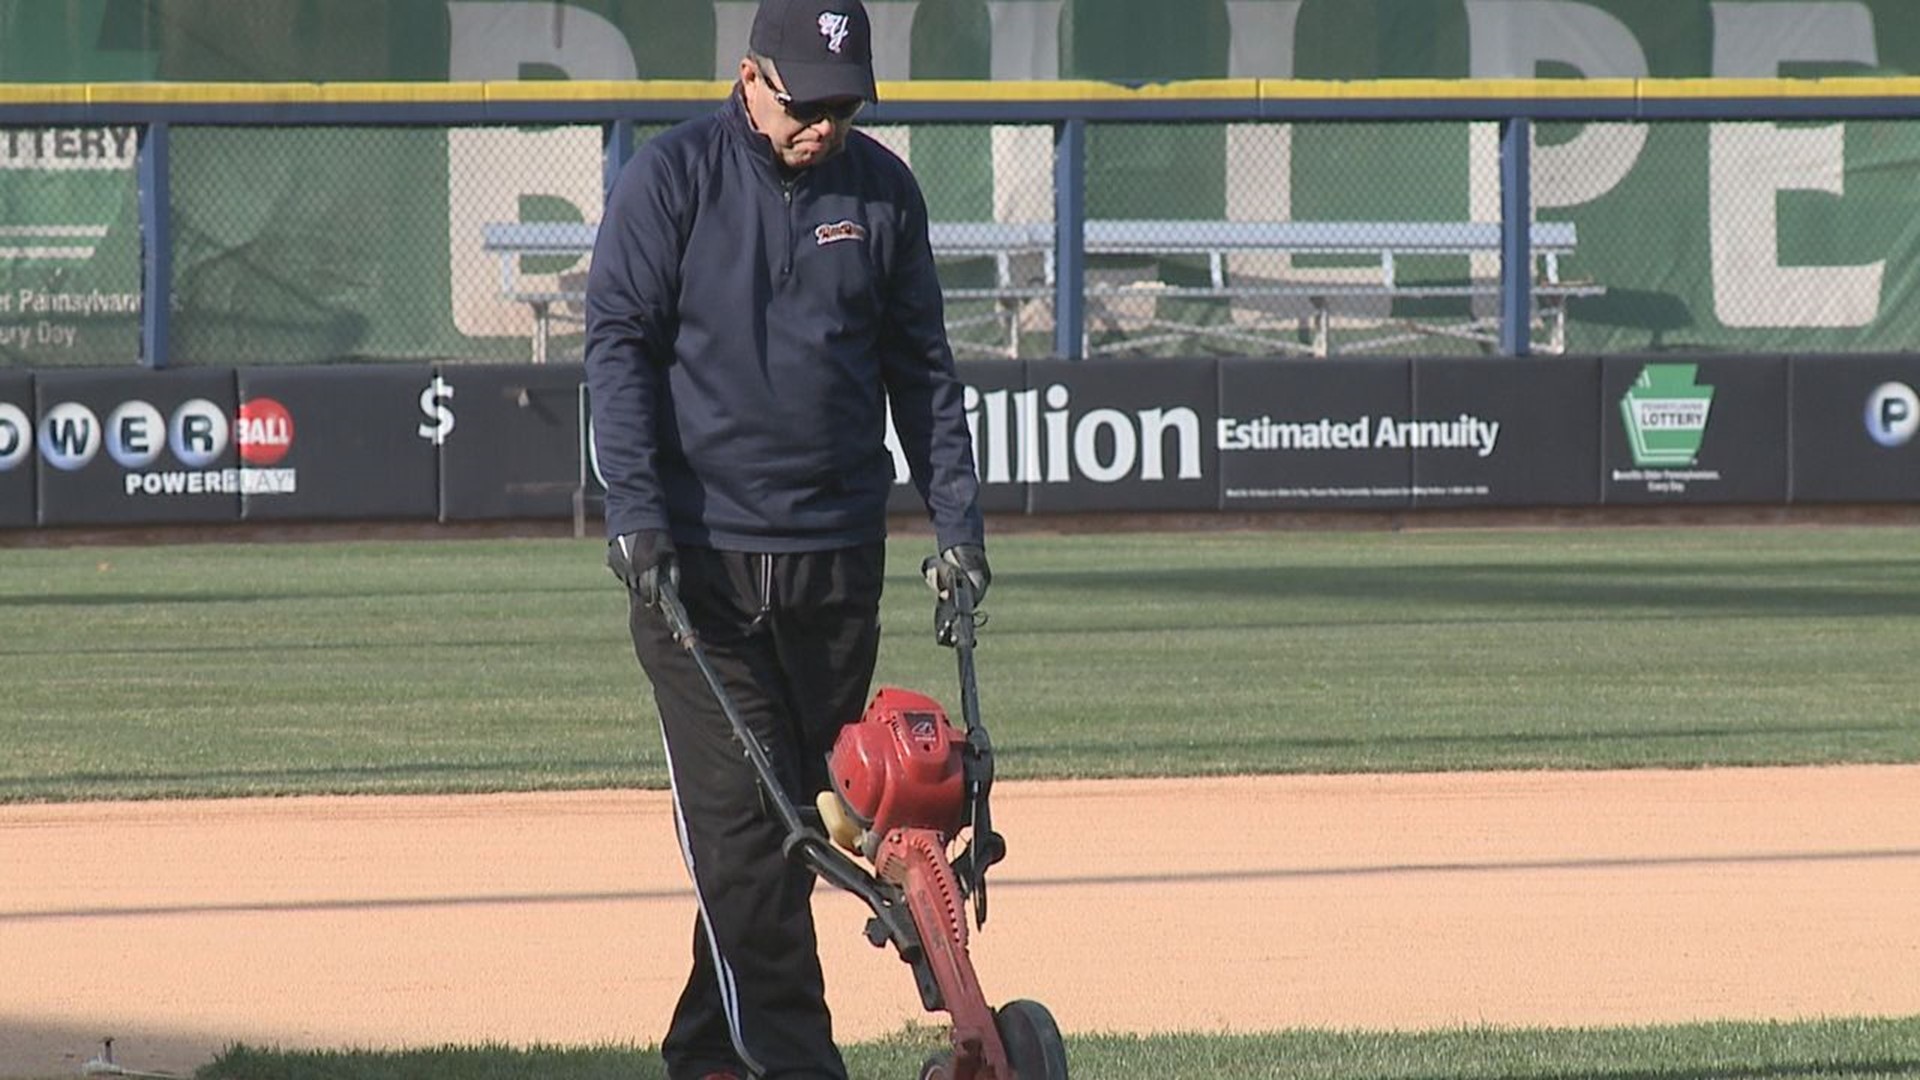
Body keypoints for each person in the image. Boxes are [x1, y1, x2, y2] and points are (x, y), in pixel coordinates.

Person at [583, 1, 988, 1077]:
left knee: (783, 844)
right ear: (751, 77)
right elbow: (617, 351)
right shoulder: (669, 183)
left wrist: (958, 528)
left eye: (844, 103)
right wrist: (635, 514)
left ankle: (703, 1058)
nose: (825, 122)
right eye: (807, 100)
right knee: (748, 857)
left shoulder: (883, 192)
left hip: (835, 572)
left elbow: (925, 373)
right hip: (698, 578)